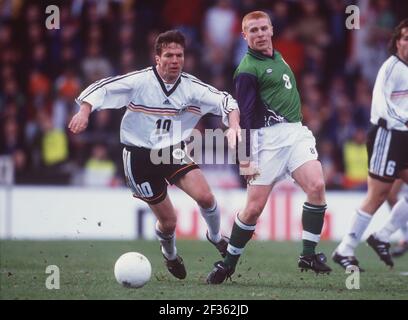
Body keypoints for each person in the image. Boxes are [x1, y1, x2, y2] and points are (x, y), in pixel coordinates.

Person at [69, 30, 241, 280]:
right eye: (169, 55)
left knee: (205, 196)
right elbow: (103, 88)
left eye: (179, 55)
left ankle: (215, 236)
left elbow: (227, 102)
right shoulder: (140, 82)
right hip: (138, 157)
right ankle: (170, 254)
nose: (175, 60)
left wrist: (234, 126)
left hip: (171, 150)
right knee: (169, 222)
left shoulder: (192, 87)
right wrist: (84, 112)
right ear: (157, 58)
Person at [206, 11, 331, 285]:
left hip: (296, 133)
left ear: (272, 29)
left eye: (263, 28)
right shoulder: (247, 70)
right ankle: (227, 263)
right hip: (267, 142)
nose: (260, 34)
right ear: (245, 36)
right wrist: (245, 158)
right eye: (253, 30)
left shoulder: (278, 55)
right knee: (253, 209)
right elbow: (246, 117)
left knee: (317, 186)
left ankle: (308, 254)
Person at [332, 19, 408, 270]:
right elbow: (382, 106)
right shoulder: (391, 67)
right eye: (405, 38)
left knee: (385, 194)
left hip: (404, 136)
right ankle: (346, 248)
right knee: (377, 196)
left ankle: (382, 236)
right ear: (397, 42)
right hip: (388, 135)